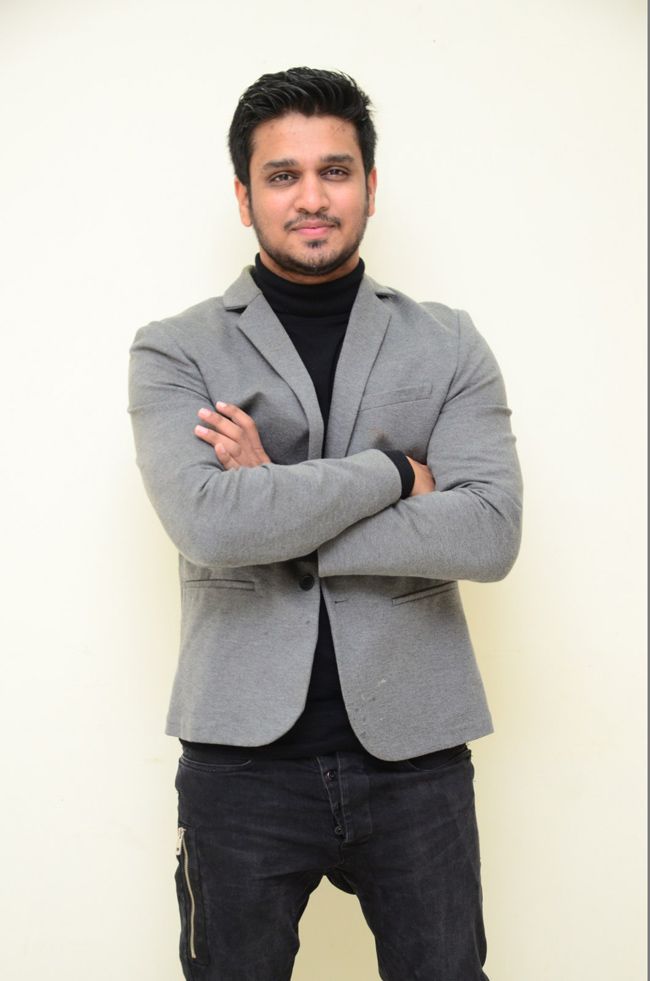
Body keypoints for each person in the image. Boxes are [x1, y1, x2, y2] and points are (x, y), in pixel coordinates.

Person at [128, 66, 523, 981]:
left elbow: (489, 530)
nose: (311, 197)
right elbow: (208, 525)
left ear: (370, 186)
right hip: (239, 760)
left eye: (335, 171)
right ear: (245, 196)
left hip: (417, 753)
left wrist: (272, 496)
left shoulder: (448, 342)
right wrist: (394, 474)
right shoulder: (176, 348)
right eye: (283, 175)